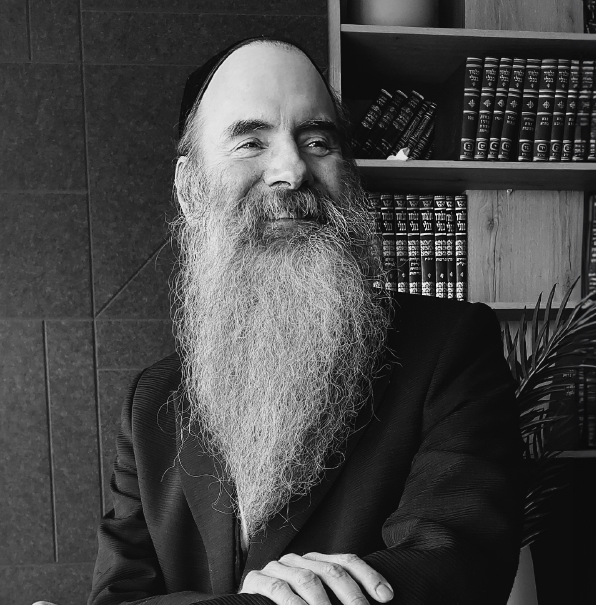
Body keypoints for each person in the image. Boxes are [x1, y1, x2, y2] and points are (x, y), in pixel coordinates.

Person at [87, 37, 523, 605]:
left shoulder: (451, 347)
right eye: (250, 142)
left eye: (318, 142)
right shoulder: (152, 403)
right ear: (189, 189)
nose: (292, 170)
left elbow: (454, 567)